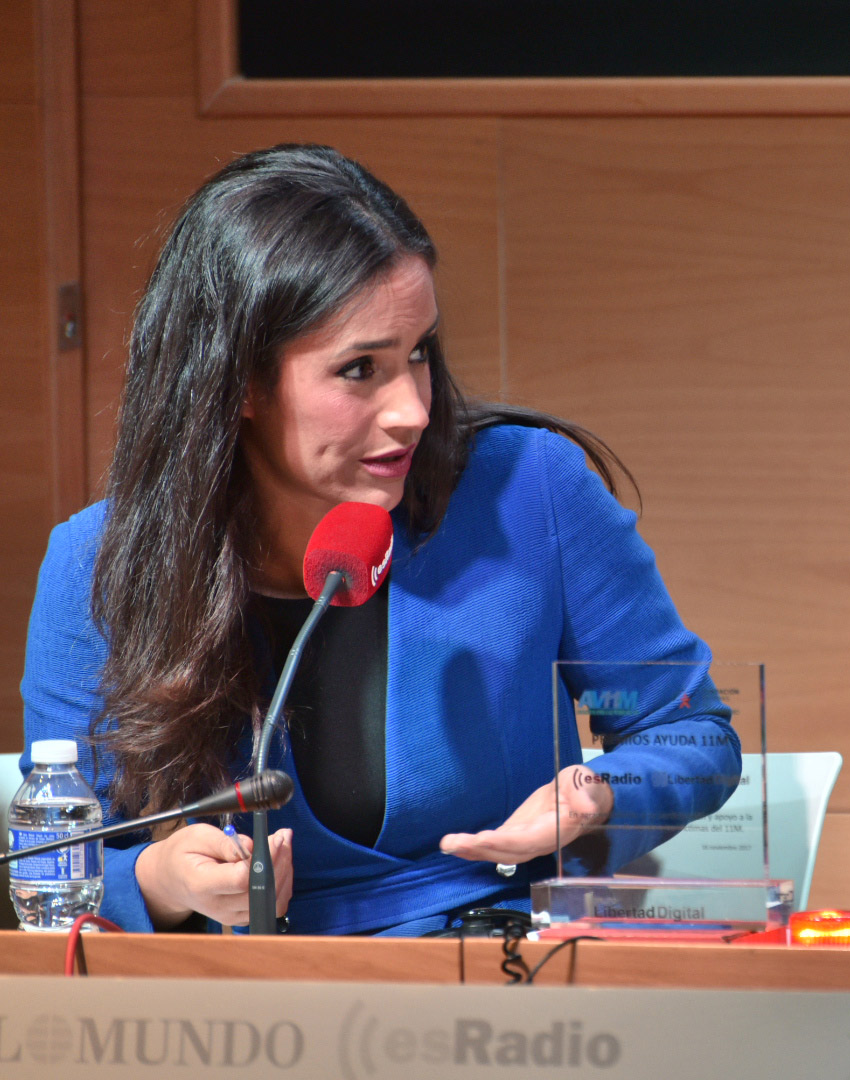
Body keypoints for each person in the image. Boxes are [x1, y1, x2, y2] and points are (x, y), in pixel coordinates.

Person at [19, 144, 741, 936]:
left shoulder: (530, 491)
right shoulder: (97, 566)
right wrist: (157, 881)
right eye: (360, 369)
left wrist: (601, 793)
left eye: (418, 353)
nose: (413, 411)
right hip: (242, 993)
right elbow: (60, 862)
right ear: (241, 382)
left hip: (499, 965)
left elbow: (685, 730)